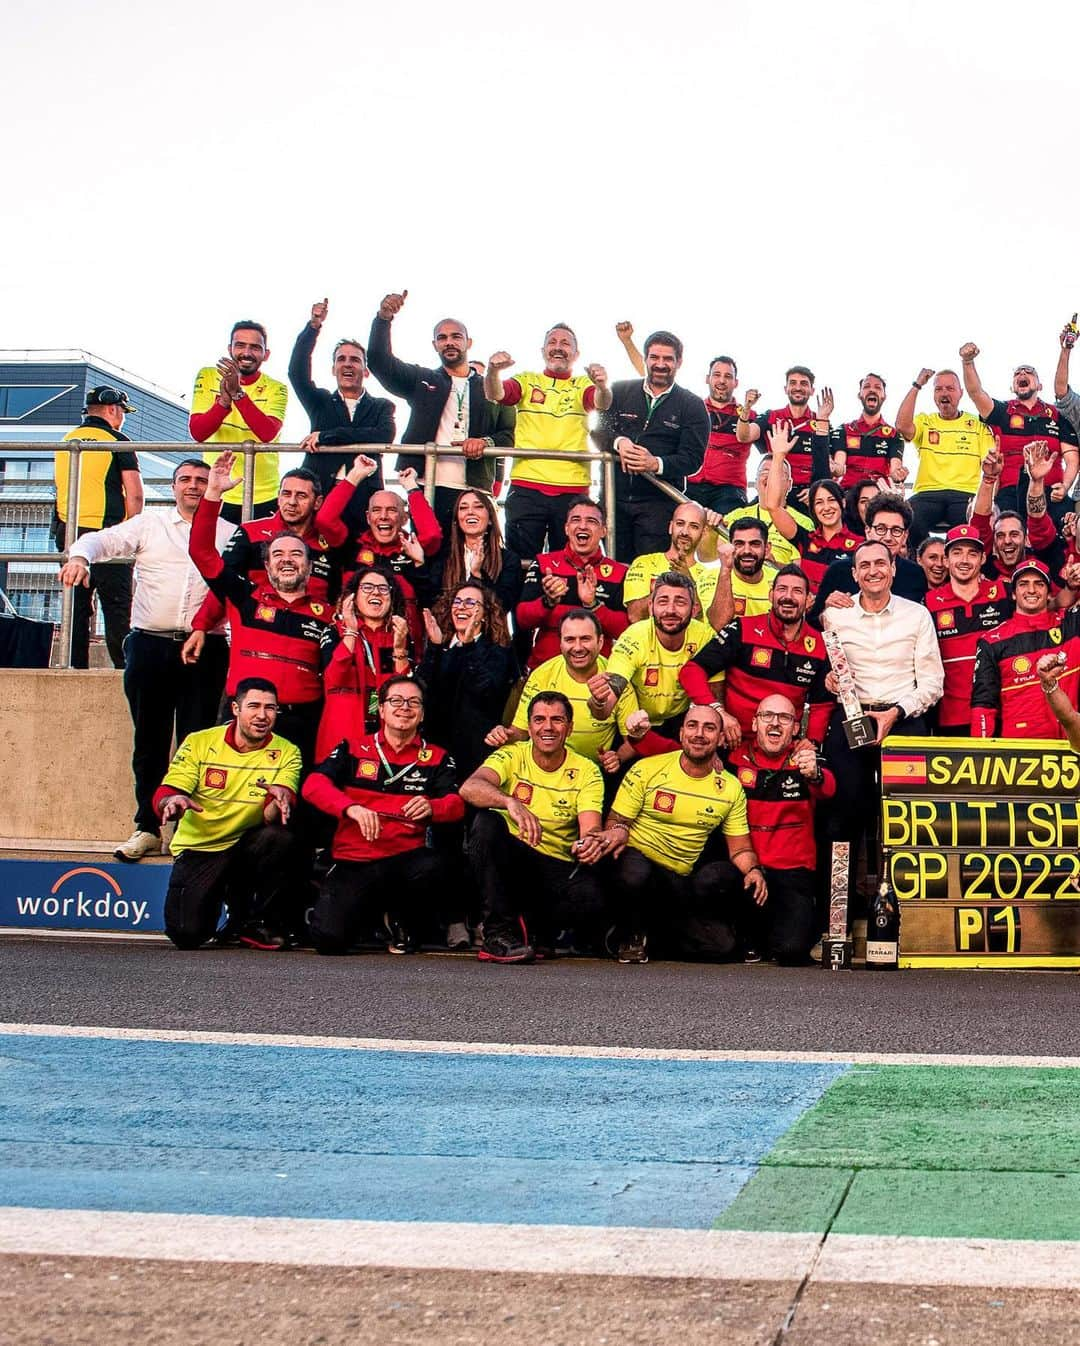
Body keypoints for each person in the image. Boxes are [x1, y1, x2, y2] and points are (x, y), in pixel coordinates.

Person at [61, 458, 233, 862]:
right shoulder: (149, 524)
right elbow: (97, 541)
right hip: (149, 646)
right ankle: (148, 826)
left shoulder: (230, 533)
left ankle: (187, 831)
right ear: (173, 486)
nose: (193, 486)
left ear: (216, 487)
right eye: (185, 480)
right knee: (150, 743)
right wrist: (79, 558)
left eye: (202, 481)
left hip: (206, 648)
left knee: (198, 743)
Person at [581, 705, 767, 964]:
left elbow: (739, 849)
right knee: (634, 870)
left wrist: (754, 871)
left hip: (678, 882)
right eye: (692, 726)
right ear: (681, 734)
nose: (699, 734)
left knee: (722, 948)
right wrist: (619, 830)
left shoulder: (730, 788)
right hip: (636, 867)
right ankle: (631, 932)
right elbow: (615, 822)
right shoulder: (647, 768)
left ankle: (651, 935)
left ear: (721, 738)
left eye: (709, 728)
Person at [189, 451, 333, 766]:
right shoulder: (247, 599)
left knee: (295, 810)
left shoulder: (329, 615)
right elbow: (202, 552)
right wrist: (213, 494)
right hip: (244, 716)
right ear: (266, 564)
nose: (287, 559)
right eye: (278, 554)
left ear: (311, 567)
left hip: (303, 723)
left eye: (296, 555)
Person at [302, 676, 464, 955]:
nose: (405, 708)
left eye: (414, 702)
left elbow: (457, 803)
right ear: (381, 710)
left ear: (423, 713)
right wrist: (350, 808)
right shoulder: (352, 748)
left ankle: (402, 918)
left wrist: (433, 808)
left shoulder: (437, 756)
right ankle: (367, 914)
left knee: (438, 864)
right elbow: (313, 785)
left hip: (406, 860)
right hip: (355, 858)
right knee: (329, 940)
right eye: (396, 701)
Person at [820, 540, 944, 876]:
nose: (873, 571)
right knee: (845, 813)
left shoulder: (916, 615)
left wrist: (896, 713)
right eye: (864, 566)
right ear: (854, 574)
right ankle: (841, 914)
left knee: (909, 817)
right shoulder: (834, 616)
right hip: (852, 717)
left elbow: (933, 683)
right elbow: (825, 669)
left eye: (880, 564)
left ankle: (905, 912)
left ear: (892, 569)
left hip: (903, 719)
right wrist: (829, 680)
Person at [156, 677, 302, 951]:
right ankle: (217, 897)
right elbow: (168, 790)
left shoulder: (287, 751)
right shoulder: (200, 742)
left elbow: (273, 814)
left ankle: (249, 921)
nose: (262, 715)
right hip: (201, 848)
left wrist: (280, 798)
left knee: (282, 837)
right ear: (235, 708)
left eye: (270, 708)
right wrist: (172, 801)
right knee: (187, 936)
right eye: (254, 706)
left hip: (245, 844)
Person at [461, 691, 606, 964]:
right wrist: (509, 801)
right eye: (539, 719)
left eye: (557, 720)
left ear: (570, 727)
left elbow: (591, 830)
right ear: (529, 727)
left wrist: (587, 845)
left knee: (592, 895)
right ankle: (497, 935)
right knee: (485, 824)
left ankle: (535, 928)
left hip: (553, 863)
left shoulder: (587, 770)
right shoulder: (512, 754)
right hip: (510, 861)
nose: (547, 727)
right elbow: (470, 787)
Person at [367, 292, 503, 529]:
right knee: (429, 556)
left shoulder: (490, 387)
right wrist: (383, 319)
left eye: (456, 336)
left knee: (474, 560)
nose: (449, 342)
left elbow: (507, 434)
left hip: (474, 489)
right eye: (442, 338)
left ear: (468, 343)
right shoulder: (422, 379)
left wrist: (485, 442)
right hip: (426, 483)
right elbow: (379, 361)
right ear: (434, 345)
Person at [484, 324, 612, 559]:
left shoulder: (583, 383)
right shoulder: (527, 380)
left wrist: (603, 385)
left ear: (576, 354)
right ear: (543, 350)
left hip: (572, 488)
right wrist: (492, 371)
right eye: (552, 342)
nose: (558, 348)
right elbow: (496, 393)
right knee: (519, 562)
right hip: (527, 486)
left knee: (569, 562)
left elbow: (602, 402)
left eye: (565, 344)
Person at [726, 694, 836, 964]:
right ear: (754, 723)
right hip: (745, 868)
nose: (775, 724)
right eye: (767, 716)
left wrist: (815, 774)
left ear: (796, 728)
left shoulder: (805, 759)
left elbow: (829, 789)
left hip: (792, 873)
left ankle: (767, 939)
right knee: (711, 881)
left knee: (791, 951)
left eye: (785, 718)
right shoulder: (733, 758)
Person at [680, 564, 834, 746]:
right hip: (734, 742)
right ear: (771, 595)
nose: (788, 597)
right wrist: (719, 712)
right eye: (782, 589)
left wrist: (811, 741)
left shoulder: (820, 644)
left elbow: (821, 705)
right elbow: (691, 671)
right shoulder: (742, 629)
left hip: (782, 746)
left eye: (797, 591)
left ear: (808, 600)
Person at [593, 330, 710, 561]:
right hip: (613, 498)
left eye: (668, 359)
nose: (660, 364)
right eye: (654, 357)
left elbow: (693, 459)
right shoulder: (619, 391)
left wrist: (655, 463)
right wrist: (620, 442)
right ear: (645, 359)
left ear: (679, 362)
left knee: (650, 573)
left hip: (658, 503)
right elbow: (599, 431)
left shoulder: (692, 405)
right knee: (616, 569)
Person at [54, 385, 144, 668]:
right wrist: (130, 531)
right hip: (108, 535)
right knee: (117, 608)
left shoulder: (67, 440)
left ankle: (73, 667)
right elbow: (136, 494)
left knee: (76, 607)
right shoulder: (118, 440)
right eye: (122, 413)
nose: (122, 418)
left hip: (69, 533)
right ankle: (124, 670)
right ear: (112, 410)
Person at [491, 608, 641, 769]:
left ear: (600, 642)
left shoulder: (617, 680)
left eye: (585, 639)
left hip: (592, 771)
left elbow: (632, 741)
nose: (577, 647)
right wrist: (503, 735)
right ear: (560, 643)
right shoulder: (542, 675)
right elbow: (520, 733)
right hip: (543, 768)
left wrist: (617, 757)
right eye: (570, 639)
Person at [316, 463, 442, 653]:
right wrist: (356, 475)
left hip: (400, 651)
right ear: (367, 517)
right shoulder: (352, 545)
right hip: (353, 648)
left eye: (392, 510)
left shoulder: (413, 548)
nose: (383, 516)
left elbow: (432, 535)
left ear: (404, 518)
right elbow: (324, 520)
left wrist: (411, 487)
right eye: (376, 510)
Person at [289, 297, 396, 508]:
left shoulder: (382, 405)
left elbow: (383, 435)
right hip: (322, 493)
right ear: (333, 369)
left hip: (363, 495)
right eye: (341, 359)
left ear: (365, 371)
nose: (348, 364)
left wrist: (325, 436)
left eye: (355, 360)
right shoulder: (319, 401)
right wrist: (313, 327)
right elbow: (297, 372)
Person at [960, 342, 1078, 520]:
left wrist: (1065, 486)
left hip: (1051, 491)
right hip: (1010, 492)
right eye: (1017, 373)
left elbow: (1072, 457)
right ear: (1013, 387)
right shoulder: (1002, 411)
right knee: (1006, 529)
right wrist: (968, 362)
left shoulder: (1056, 415)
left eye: (1029, 372)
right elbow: (976, 393)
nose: (1022, 373)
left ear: (1039, 385)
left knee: (1069, 526)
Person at [189, 320, 288, 523]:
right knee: (213, 554)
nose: (247, 352)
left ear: (266, 354)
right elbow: (198, 432)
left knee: (263, 555)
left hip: (264, 493)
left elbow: (267, 433)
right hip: (217, 491)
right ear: (230, 349)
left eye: (255, 347)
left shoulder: (277, 387)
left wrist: (237, 394)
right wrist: (224, 401)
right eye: (240, 345)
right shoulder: (208, 375)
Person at [418, 583, 519, 782]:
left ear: (484, 613)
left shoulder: (498, 650)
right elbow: (424, 690)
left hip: (475, 749)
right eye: (457, 601)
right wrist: (435, 648)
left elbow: (486, 690)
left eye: (470, 602)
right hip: (437, 745)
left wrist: (469, 645)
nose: (461, 607)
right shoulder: (441, 645)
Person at [592, 571, 716, 731]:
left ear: (694, 610)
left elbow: (715, 697)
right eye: (663, 601)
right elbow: (604, 710)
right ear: (651, 607)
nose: (670, 610)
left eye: (680, 602)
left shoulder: (704, 636)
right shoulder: (634, 637)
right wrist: (598, 702)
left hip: (680, 720)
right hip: (633, 721)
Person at [515, 495, 628, 670]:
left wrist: (593, 605)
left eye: (591, 521)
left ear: (604, 531)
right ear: (567, 528)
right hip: (546, 670)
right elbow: (522, 619)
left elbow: (625, 631)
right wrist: (548, 601)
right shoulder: (543, 563)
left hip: (597, 675)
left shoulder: (619, 572)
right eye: (576, 520)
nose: (582, 526)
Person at [970, 559, 1080, 739]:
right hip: (1021, 751)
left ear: (1049, 592)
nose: (1031, 590)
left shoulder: (1071, 623)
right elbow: (983, 705)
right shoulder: (991, 641)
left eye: (1039, 584)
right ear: (1013, 593)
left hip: (1072, 743)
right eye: (1023, 584)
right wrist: (980, 754)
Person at [316, 565, 412, 760]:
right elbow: (333, 679)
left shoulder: (399, 634)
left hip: (386, 738)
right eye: (367, 587)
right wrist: (351, 632)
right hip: (341, 736)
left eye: (383, 588)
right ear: (353, 598)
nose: (376, 592)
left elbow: (404, 691)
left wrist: (400, 650)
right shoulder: (335, 631)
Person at [925, 525, 1012, 736]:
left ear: (983, 559)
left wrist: (1072, 587)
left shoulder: (1004, 593)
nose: (964, 560)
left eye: (972, 553)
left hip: (1000, 713)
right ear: (945, 560)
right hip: (950, 718)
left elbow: (1051, 606)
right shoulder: (928, 603)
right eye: (957, 552)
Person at [895, 367, 995, 546]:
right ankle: (923, 563)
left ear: (961, 393)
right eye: (938, 389)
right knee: (904, 517)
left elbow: (991, 459)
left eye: (950, 388)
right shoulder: (926, 421)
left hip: (965, 494)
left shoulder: (977, 425)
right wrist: (917, 385)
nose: (944, 393)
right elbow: (902, 426)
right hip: (928, 492)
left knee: (968, 533)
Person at [761, 426, 863, 591]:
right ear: (813, 508)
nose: (826, 507)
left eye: (831, 500)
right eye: (819, 502)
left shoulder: (860, 545)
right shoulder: (806, 539)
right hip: (807, 614)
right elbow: (773, 506)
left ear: (843, 503)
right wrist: (778, 457)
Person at [810, 493, 928, 623]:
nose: (888, 537)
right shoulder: (838, 571)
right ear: (868, 531)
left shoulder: (915, 574)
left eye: (896, 530)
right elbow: (813, 623)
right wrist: (827, 610)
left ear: (905, 536)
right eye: (881, 529)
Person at [733, 367, 833, 506]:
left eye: (803, 384)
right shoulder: (771, 416)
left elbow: (829, 465)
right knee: (742, 521)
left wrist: (816, 491)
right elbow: (744, 436)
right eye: (793, 383)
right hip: (774, 491)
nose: (798, 387)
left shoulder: (821, 420)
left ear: (812, 390)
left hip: (806, 495)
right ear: (785, 389)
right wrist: (746, 410)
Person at [427, 488, 524, 617]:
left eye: (478, 507)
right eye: (463, 508)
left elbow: (503, 605)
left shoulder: (508, 559)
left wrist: (478, 575)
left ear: (490, 519)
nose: (470, 512)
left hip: (489, 634)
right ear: (456, 520)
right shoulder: (443, 557)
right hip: (448, 634)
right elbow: (430, 601)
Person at [622, 500, 723, 623]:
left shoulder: (711, 576)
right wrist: (668, 584)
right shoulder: (643, 563)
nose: (685, 532)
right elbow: (635, 616)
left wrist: (689, 584)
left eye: (694, 526)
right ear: (670, 527)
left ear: (703, 533)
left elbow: (703, 624)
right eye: (680, 524)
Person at [686, 356, 753, 515]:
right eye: (717, 375)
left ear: (736, 383)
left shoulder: (749, 415)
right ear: (707, 379)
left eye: (728, 376)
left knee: (726, 531)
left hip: (729, 491)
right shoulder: (691, 409)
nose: (722, 380)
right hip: (690, 485)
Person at [831, 373, 907, 490]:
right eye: (866, 387)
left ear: (884, 396)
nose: (872, 390)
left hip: (879, 495)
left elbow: (895, 469)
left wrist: (898, 475)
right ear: (859, 395)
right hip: (849, 494)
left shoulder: (894, 435)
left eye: (877, 387)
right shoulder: (843, 430)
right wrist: (834, 468)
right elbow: (839, 466)